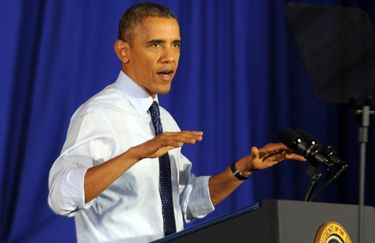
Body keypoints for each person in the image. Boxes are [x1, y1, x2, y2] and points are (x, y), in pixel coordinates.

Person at [48, 2, 304, 243]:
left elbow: (185, 203)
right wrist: (135, 154)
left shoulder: (166, 121)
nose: (169, 57)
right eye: (156, 44)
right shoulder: (97, 114)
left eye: (176, 44)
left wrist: (243, 169)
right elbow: (61, 197)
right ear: (123, 51)